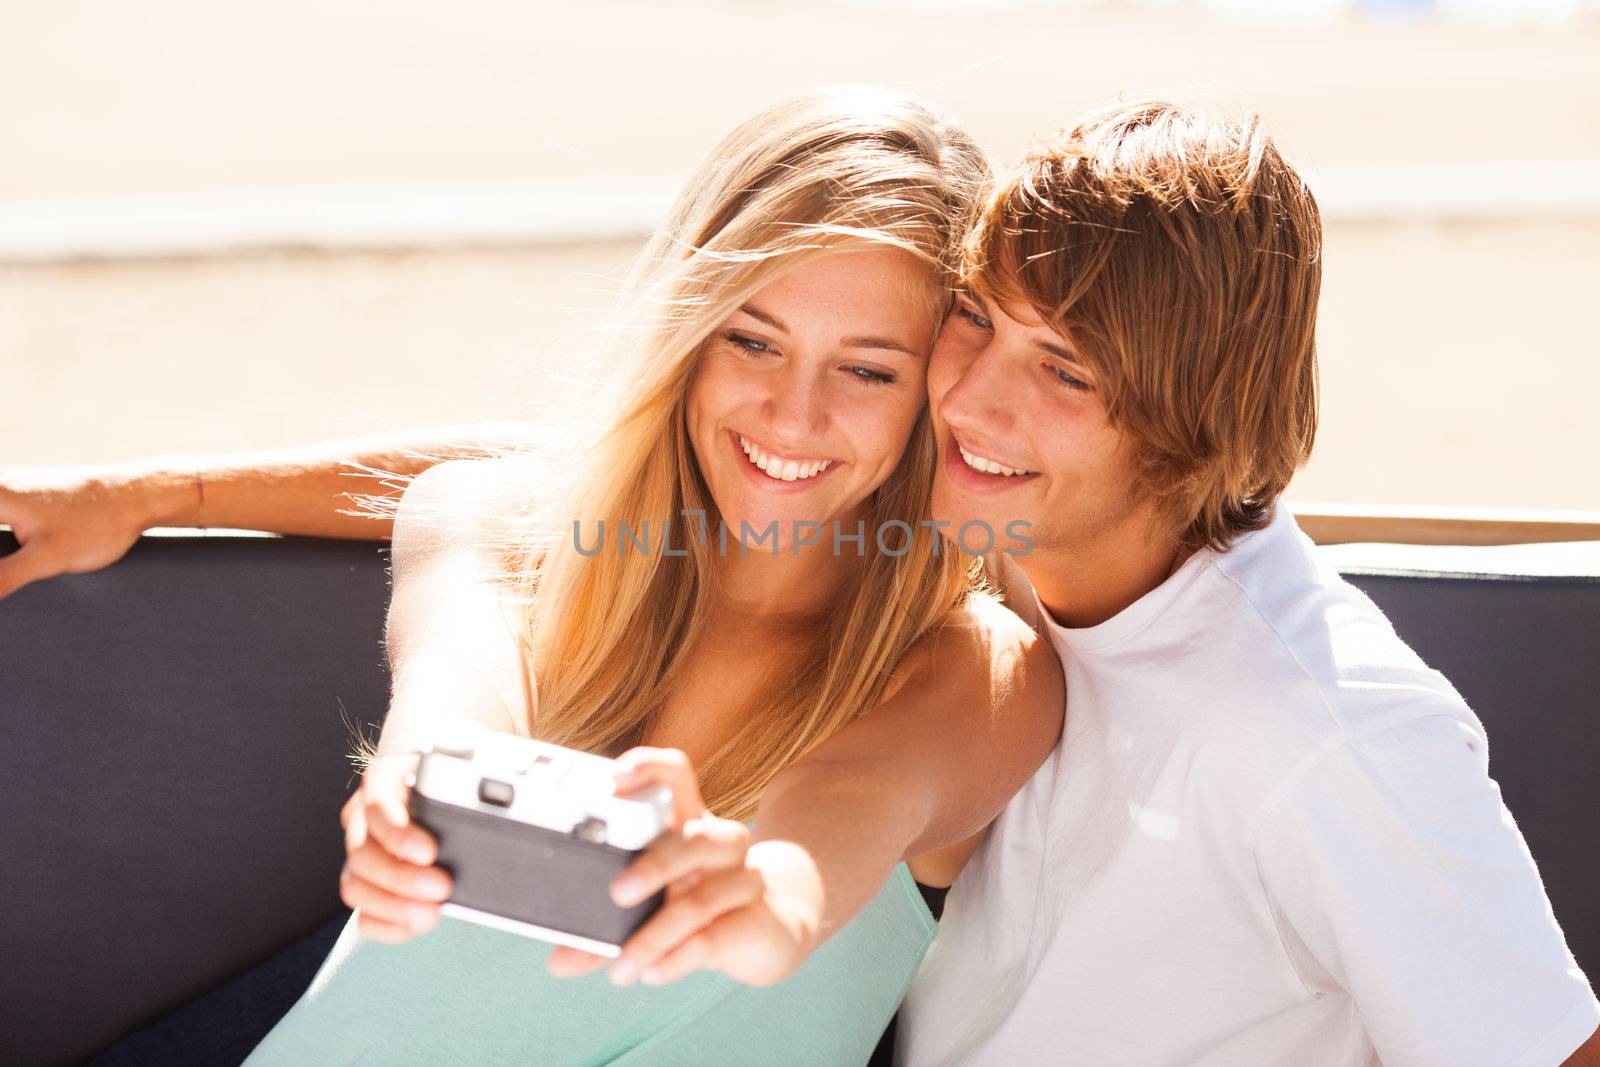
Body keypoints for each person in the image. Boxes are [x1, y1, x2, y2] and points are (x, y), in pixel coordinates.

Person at [18, 85, 1064, 1066]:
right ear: (683, 339)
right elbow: (458, 687)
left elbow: (851, 802)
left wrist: (766, 895)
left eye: (868, 368)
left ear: (940, 390)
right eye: (750, 338)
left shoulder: (974, 668)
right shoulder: (499, 527)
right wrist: (414, 789)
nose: (793, 416)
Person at [889, 99, 1600, 1065]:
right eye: (974, 316)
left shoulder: (1331, 735)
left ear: (1197, 413)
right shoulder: (1013, 558)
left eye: (1066, 370)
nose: (967, 396)